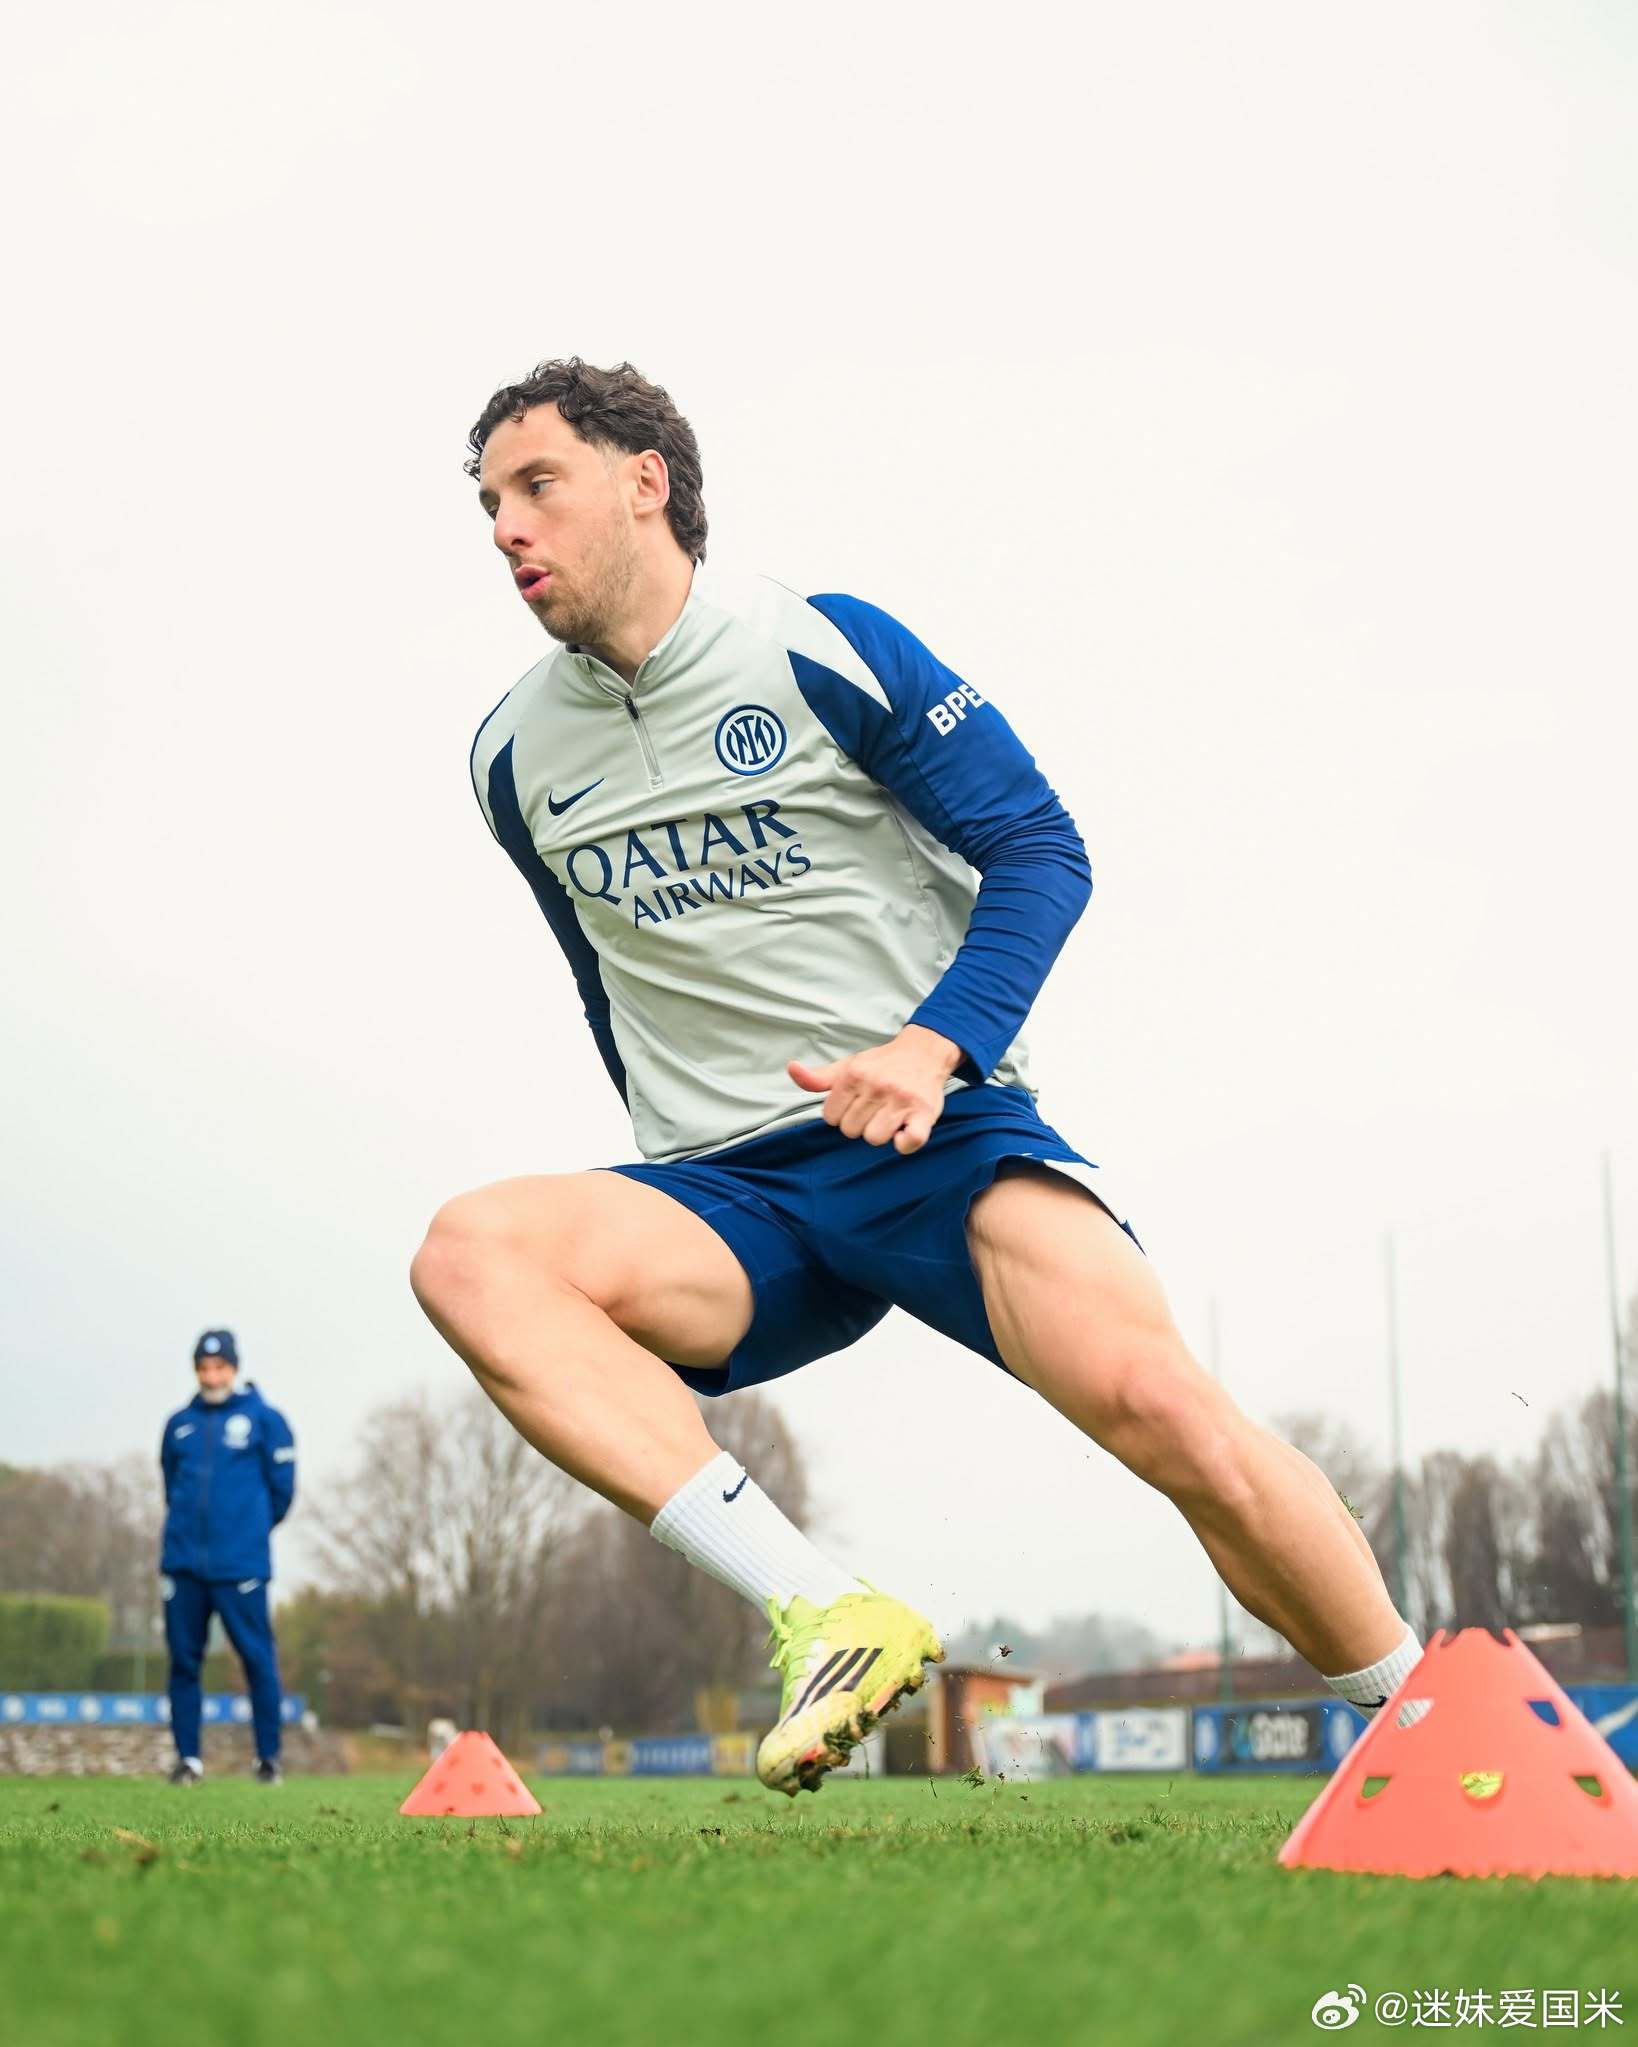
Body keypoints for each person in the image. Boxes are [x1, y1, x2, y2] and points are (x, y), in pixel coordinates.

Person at [411, 359, 1420, 1798]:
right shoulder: (510, 757)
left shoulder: (823, 646)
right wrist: (677, 1140)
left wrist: (929, 1046)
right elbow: (603, 978)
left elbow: (1041, 848)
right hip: (727, 1197)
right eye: (490, 504)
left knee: (1169, 1412)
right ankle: (825, 1609)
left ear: (644, 481)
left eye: (536, 485)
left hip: (934, 1137)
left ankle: (1424, 1729)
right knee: (472, 1253)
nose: (508, 526)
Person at [158, 1330, 296, 1785]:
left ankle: (268, 1759)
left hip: (241, 1566)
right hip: (183, 1564)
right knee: (184, 1662)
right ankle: (188, 1760)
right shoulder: (179, 1425)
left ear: (234, 1368)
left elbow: (282, 1492)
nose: (211, 1375)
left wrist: (247, 1531)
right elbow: (171, 1485)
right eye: (204, 1367)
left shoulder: (265, 1420)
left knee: (257, 1660)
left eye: (219, 1367)